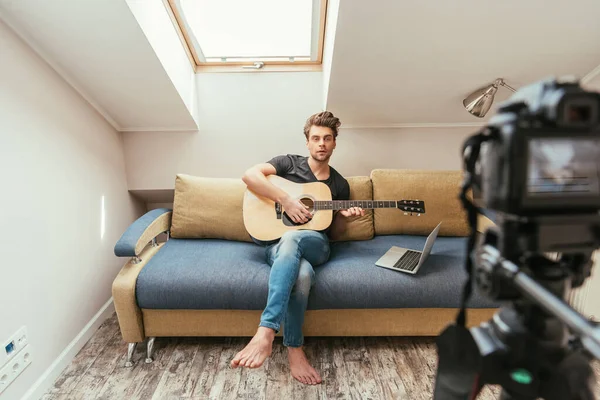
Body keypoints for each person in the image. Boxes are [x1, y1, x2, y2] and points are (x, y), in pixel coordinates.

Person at [231, 111, 364, 385]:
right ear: (307, 142)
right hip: (275, 245)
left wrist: (343, 218)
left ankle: (266, 331)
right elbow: (249, 176)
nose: (321, 144)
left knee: (295, 238)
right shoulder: (287, 164)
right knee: (301, 274)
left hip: (318, 245)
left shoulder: (339, 185)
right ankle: (294, 350)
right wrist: (287, 200)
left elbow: (334, 235)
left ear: (335, 143)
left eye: (327, 138)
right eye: (316, 138)